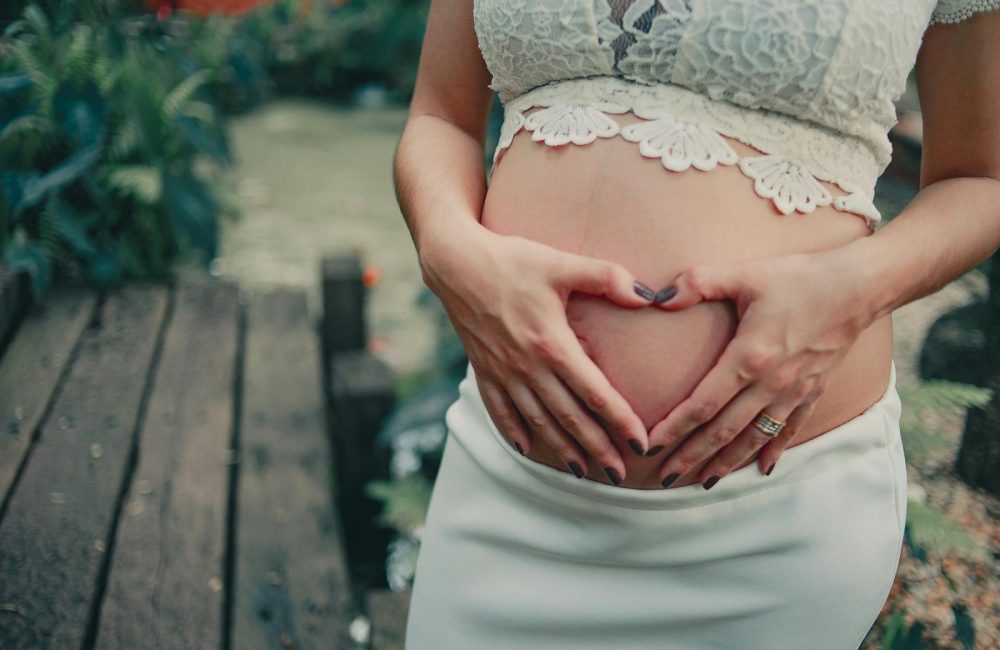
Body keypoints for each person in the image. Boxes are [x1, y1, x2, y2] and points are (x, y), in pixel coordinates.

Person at [393, 1, 1000, 647]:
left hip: (772, 523)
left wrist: (852, 291)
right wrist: (447, 249)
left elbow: (981, 178)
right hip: (503, 489)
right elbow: (439, 117)